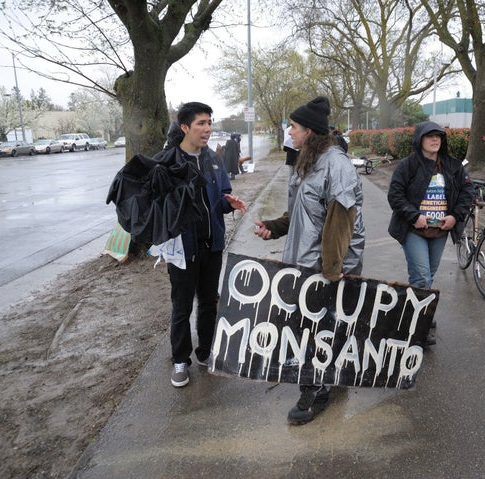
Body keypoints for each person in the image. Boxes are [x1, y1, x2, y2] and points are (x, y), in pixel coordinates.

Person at [254, 96, 365, 425]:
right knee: (309, 327)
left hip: (325, 266)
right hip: (303, 262)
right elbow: (305, 212)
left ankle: (315, 391)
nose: (289, 131)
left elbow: (342, 222)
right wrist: (275, 227)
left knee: (319, 328)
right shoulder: (308, 161)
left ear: (310, 131)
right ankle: (326, 377)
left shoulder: (336, 165)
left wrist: (332, 271)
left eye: (293, 127)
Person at [154, 102, 247, 388]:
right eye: (201, 123)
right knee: (182, 306)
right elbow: (157, 206)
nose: (207, 129)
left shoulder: (213, 159)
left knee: (208, 301)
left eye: (209, 122)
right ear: (185, 127)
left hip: (212, 245)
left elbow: (220, 197)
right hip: (182, 249)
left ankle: (206, 351)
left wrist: (229, 203)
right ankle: (180, 360)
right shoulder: (167, 163)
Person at [387, 121, 474, 344]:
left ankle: (419, 313)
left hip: (440, 231)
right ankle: (417, 328)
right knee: (421, 276)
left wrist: (454, 216)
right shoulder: (408, 165)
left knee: (427, 276)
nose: (435, 140)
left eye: (439, 136)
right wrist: (414, 216)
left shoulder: (453, 166)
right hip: (413, 229)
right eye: (430, 136)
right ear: (420, 140)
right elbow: (395, 195)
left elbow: (467, 192)